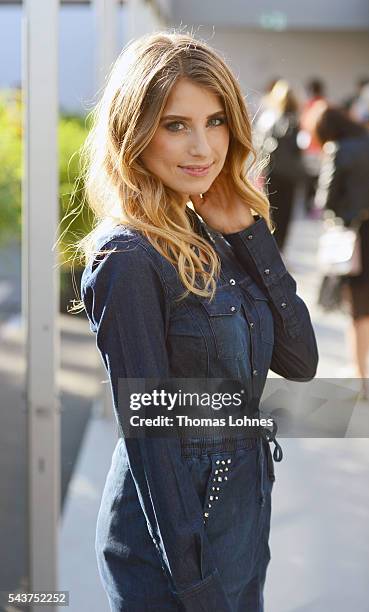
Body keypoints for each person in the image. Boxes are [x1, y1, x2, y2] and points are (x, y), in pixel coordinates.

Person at [78, 32, 319, 611]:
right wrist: (195, 585)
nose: (203, 147)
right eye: (175, 124)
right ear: (133, 134)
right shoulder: (128, 260)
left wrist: (249, 235)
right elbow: (151, 437)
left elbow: (301, 361)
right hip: (172, 551)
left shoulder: (216, 234)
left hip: (239, 517)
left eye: (215, 121)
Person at [315, 107, 369, 399]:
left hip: (357, 238)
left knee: (359, 313)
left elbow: (325, 199)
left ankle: (362, 379)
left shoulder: (338, 149)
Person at [256, 79, 306, 251]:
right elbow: (300, 150)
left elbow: (260, 146)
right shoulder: (296, 121)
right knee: (286, 214)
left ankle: (271, 248)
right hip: (291, 175)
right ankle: (280, 248)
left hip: (273, 172)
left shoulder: (268, 118)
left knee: (271, 213)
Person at [299, 78, 328, 214]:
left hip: (315, 148)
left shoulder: (317, 105)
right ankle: (312, 207)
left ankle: (312, 207)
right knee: (315, 179)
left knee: (314, 179)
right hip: (317, 148)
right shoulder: (320, 105)